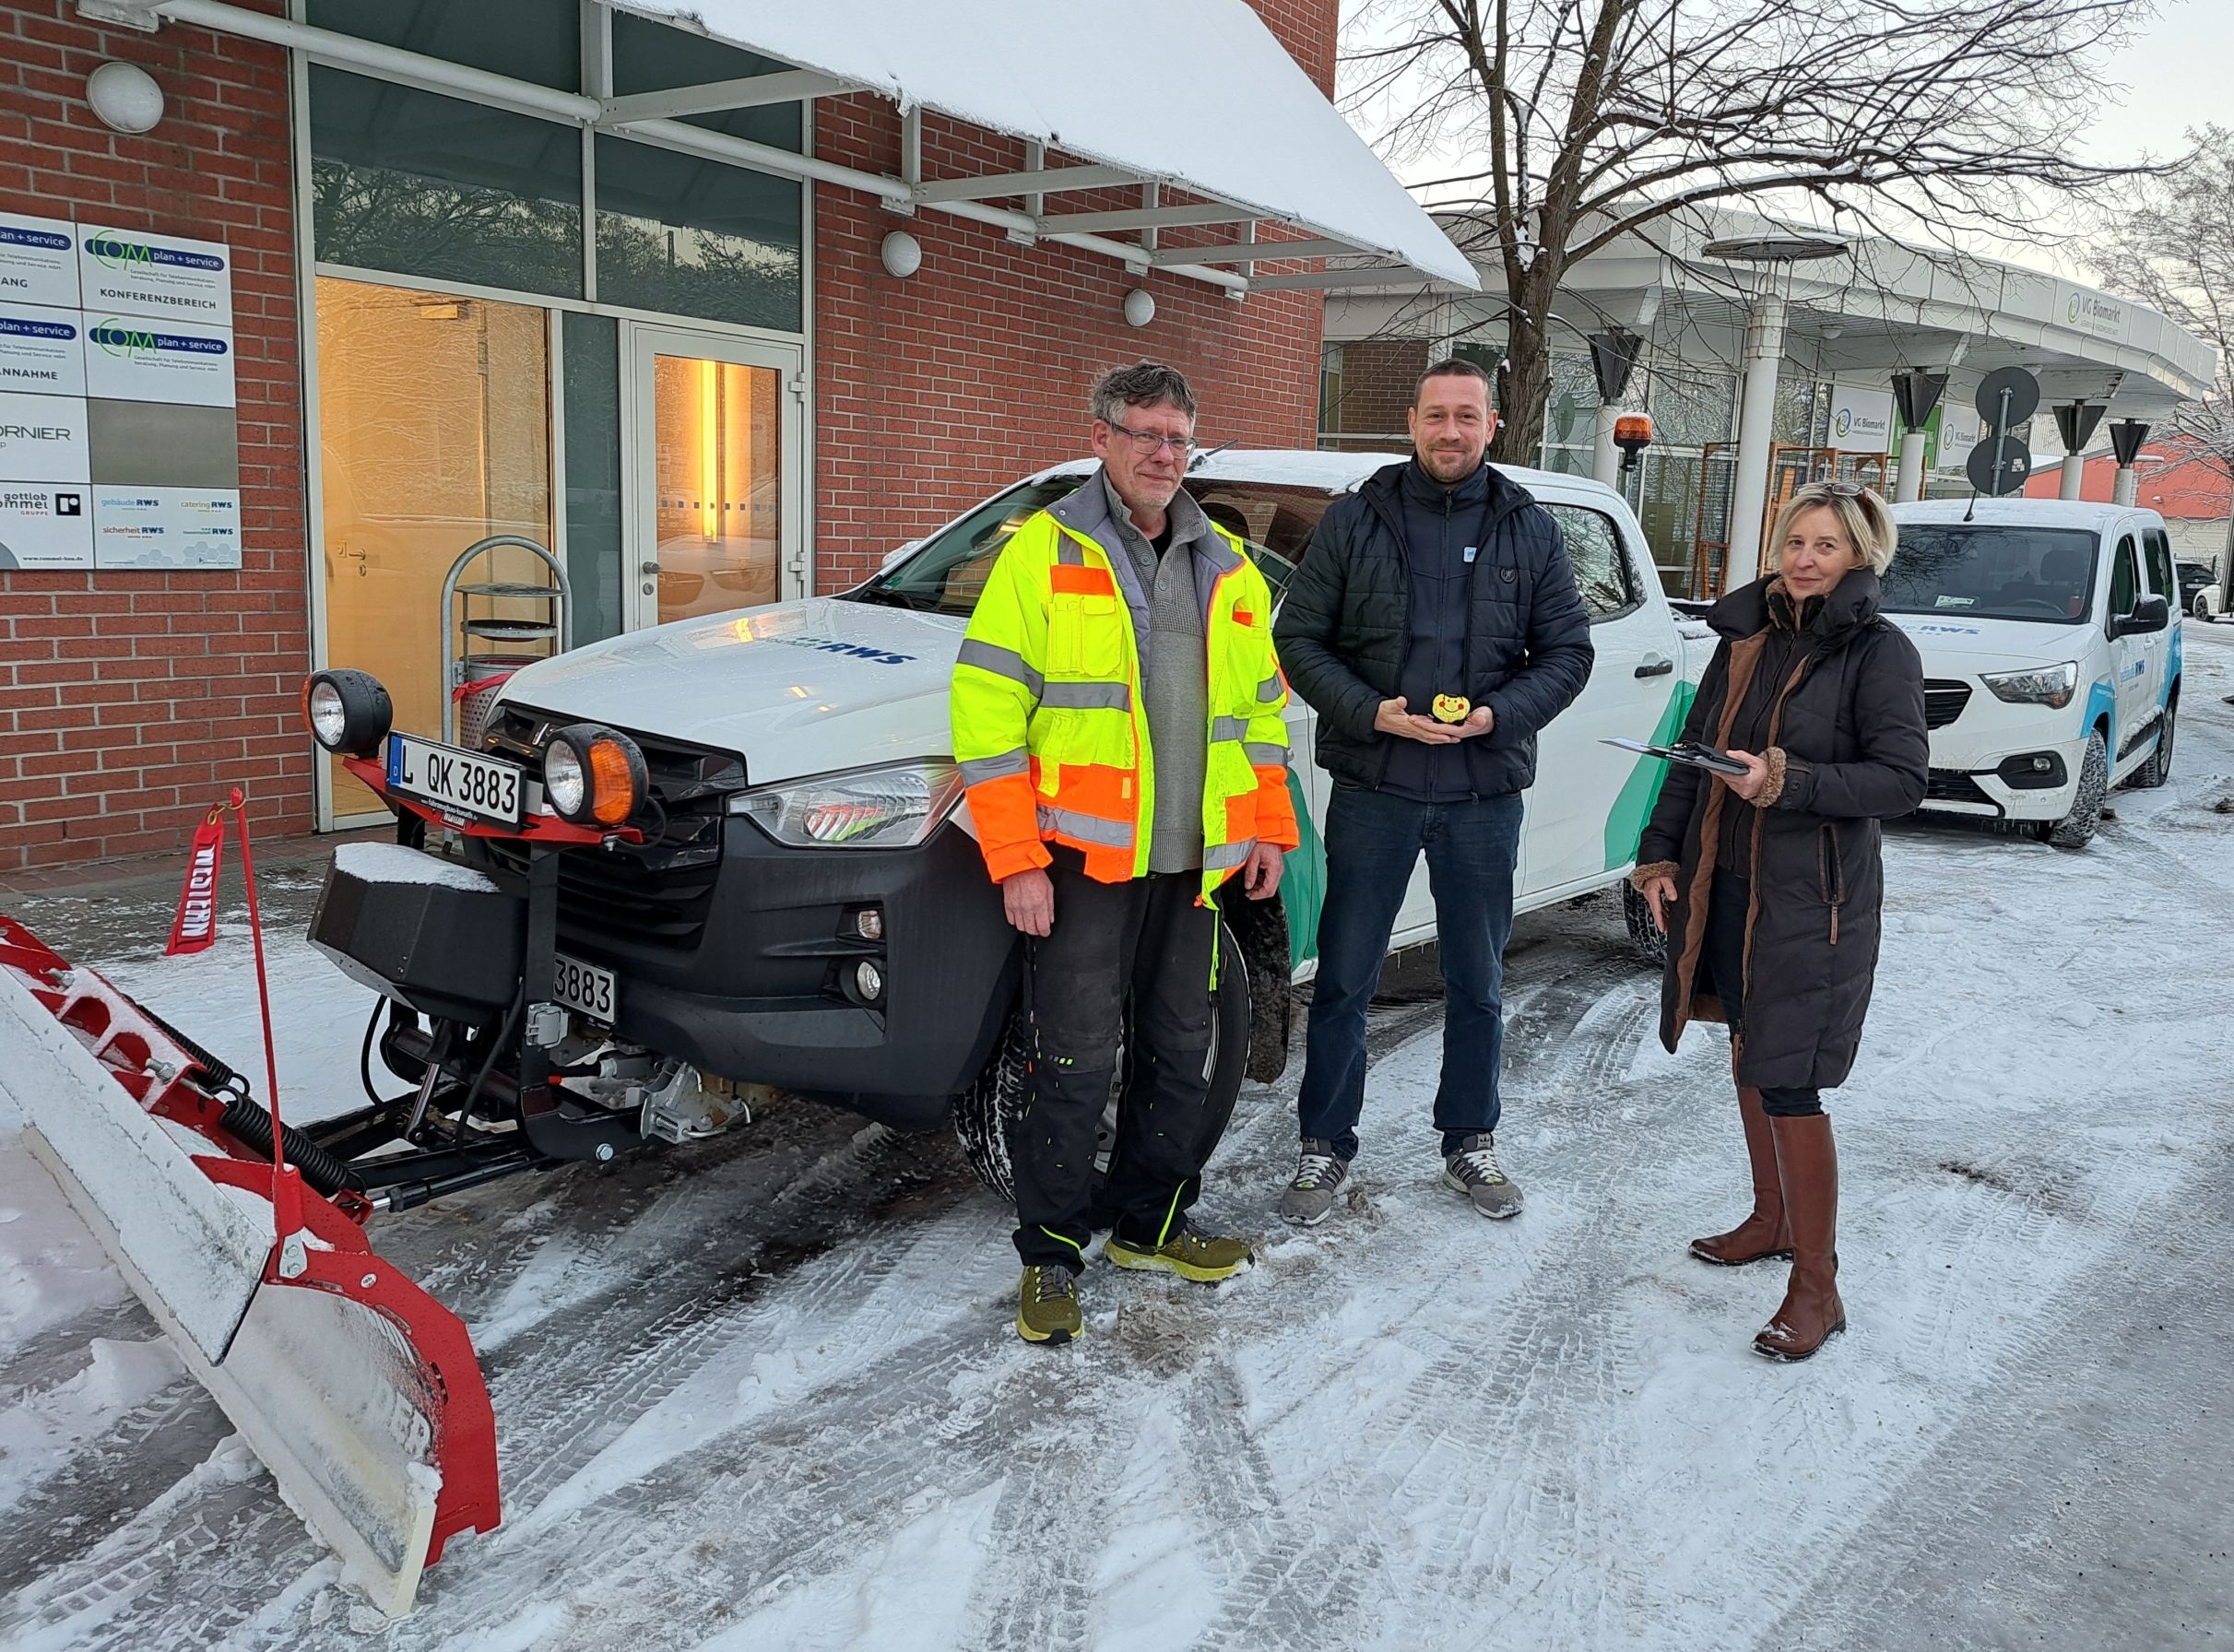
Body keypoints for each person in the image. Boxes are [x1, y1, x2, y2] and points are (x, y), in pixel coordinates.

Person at [950, 360, 1298, 1347]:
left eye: (1178, 438)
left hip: (1194, 868)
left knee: (1179, 1053)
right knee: (1067, 1060)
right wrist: (1014, 856)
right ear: (1098, 437)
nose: (1162, 454)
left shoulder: (1226, 564)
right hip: (1078, 867)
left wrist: (1267, 826)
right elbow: (984, 711)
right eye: (1142, 433)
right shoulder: (1045, 553)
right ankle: (1051, 1253)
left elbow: (1258, 715)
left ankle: (1150, 1224)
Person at [1271, 359, 1594, 1225]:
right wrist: (1371, 712)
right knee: (1345, 978)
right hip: (1375, 784)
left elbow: (1568, 653)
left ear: (1492, 427)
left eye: (1467, 417)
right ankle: (1323, 1146)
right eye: (1435, 416)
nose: (1450, 432)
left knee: (1477, 977)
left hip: (1481, 792)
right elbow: (1297, 638)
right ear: (1410, 424)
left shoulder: (1529, 529)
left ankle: (1469, 1143)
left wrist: (1496, 717)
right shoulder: (1355, 520)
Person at [1631, 480, 1927, 1361]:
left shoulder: (1880, 653)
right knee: (1748, 1050)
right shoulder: (1743, 640)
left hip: (1814, 903)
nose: (1804, 558)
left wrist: (1785, 781)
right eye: (1795, 541)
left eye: (1825, 546)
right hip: (1726, 885)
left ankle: (1817, 1285)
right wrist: (1657, 857)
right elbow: (1692, 757)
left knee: (1791, 1076)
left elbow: (1901, 780)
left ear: (1859, 557)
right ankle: (1770, 1219)